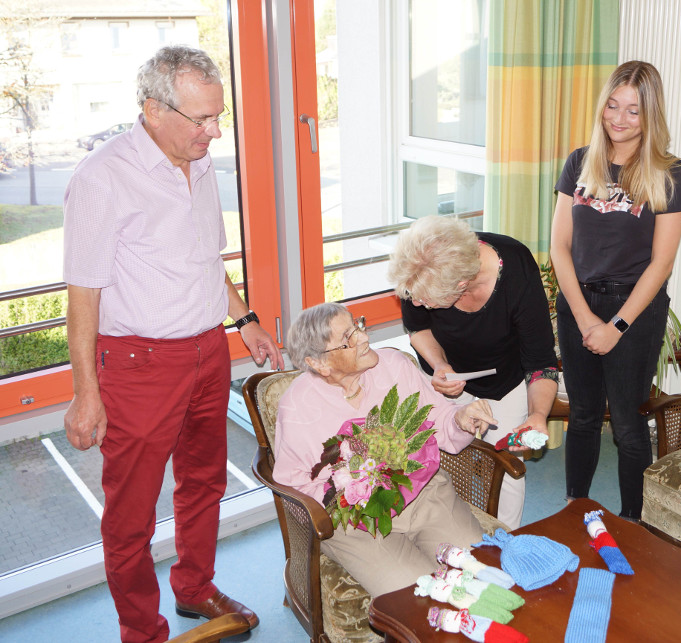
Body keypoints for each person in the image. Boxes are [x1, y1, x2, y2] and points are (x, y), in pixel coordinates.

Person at [62, 46, 284, 643]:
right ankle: (142, 629)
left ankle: (194, 588)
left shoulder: (201, 161)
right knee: (131, 513)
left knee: (205, 480)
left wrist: (246, 320)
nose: (214, 132)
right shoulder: (101, 177)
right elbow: (82, 295)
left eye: (218, 117)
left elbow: (205, 260)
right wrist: (86, 393)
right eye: (201, 119)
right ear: (153, 109)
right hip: (138, 363)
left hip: (207, 350)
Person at [273, 303, 498, 596]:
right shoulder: (297, 407)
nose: (364, 337)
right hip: (356, 521)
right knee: (414, 595)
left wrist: (460, 419)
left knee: (476, 567)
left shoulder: (393, 365)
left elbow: (439, 418)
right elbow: (293, 486)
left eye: (357, 325)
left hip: (423, 494)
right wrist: (350, 494)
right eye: (348, 338)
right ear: (319, 364)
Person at [549, 60, 681, 521]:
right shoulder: (579, 162)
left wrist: (617, 325)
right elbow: (558, 246)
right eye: (613, 105)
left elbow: (662, 263)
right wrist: (585, 317)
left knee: (629, 426)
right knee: (584, 415)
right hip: (578, 301)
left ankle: (634, 521)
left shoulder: (669, 172)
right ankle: (576, 508)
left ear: (650, 115)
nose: (619, 118)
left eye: (633, 110)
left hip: (635, 308)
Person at [386, 216, 559, 530]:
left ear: (462, 286)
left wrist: (537, 415)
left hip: (504, 380)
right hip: (444, 378)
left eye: (427, 300)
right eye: (415, 298)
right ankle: (444, 533)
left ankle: (504, 538)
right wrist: (440, 366)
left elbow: (540, 362)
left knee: (507, 466)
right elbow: (418, 327)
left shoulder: (516, 268)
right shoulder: (420, 271)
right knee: (437, 459)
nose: (418, 302)